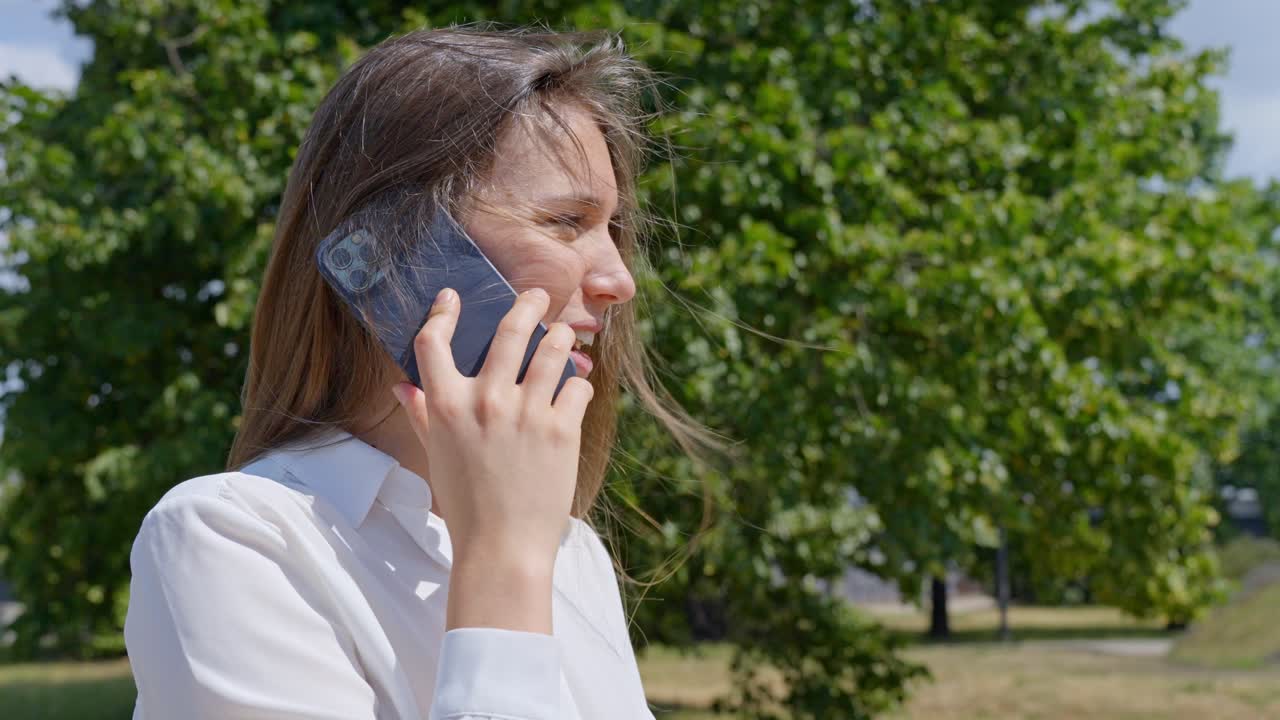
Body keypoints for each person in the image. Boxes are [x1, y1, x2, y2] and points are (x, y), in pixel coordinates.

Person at [123, 23, 726, 720]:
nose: (620, 279)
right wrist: (500, 559)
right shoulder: (232, 545)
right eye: (566, 221)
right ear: (395, 246)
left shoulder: (569, 550)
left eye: (613, 230)